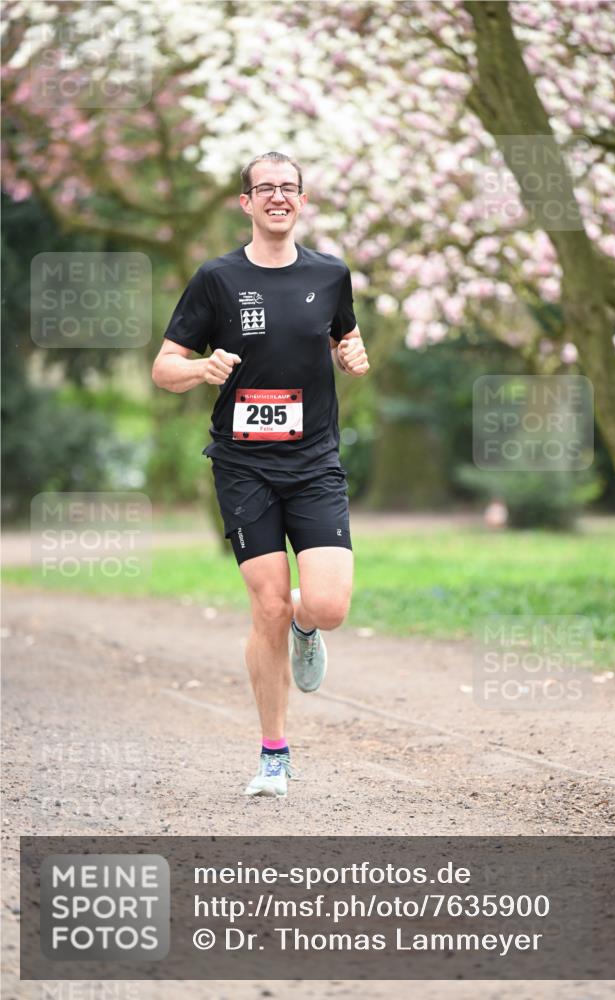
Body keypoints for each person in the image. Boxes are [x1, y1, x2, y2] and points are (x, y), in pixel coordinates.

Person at [152, 151, 370, 798]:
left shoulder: (330, 275)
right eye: (264, 188)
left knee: (326, 607)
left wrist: (352, 352)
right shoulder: (216, 279)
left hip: (313, 463)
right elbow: (163, 367)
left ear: (301, 201)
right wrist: (200, 369)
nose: (277, 197)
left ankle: (307, 625)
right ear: (244, 203)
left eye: (289, 188)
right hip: (243, 464)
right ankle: (273, 754)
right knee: (266, 606)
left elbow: (341, 339)